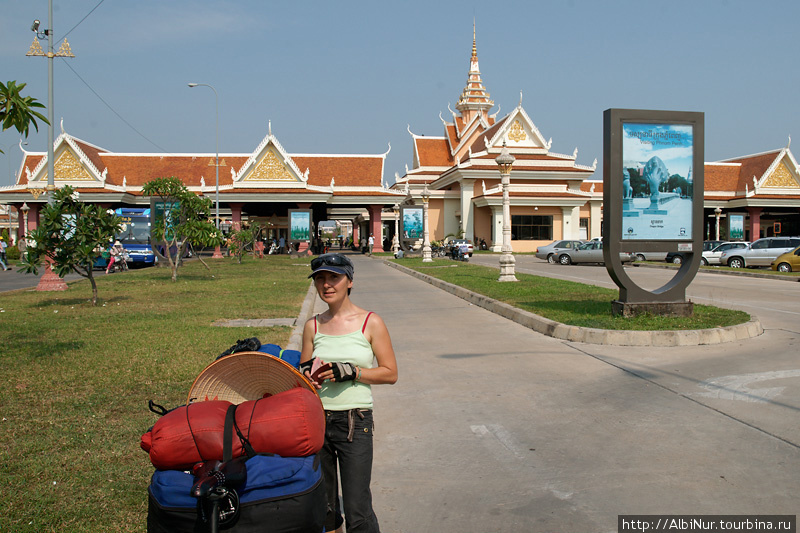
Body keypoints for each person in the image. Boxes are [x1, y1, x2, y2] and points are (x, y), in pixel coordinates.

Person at [300, 253, 398, 533]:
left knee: (358, 510)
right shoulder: (312, 326)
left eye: (334, 277)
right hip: (317, 423)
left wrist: (353, 372)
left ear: (350, 281)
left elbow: (390, 373)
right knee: (325, 509)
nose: (326, 284)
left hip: (355, 423)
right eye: (320, 278)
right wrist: (308, 376)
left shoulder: (371, 322)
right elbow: (303, 378)